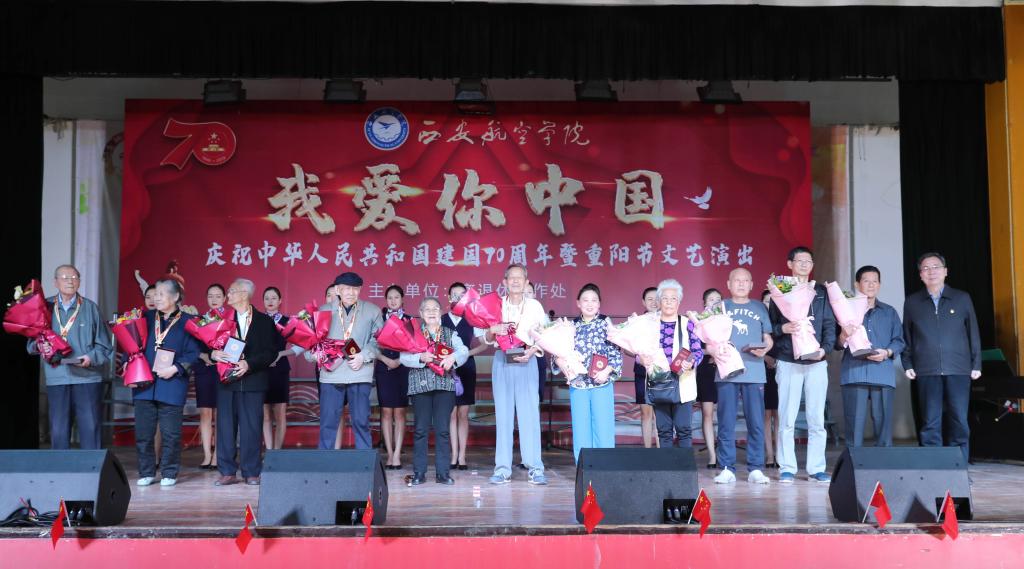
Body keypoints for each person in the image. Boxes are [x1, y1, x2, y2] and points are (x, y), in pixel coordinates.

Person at [902, 252, 982, 461]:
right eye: (926, 268)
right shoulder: (912, 302)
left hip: (958, 368)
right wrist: (907, 362)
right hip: (926, 369)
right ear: (920, 275)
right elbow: (907, 336)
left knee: (959, 419)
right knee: (930, 421)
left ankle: (959, 465)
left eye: (936, 267)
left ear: (945, 271)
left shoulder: (962, 298)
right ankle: (933, 465)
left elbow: (973, 332)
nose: (932, 272)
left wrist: (976, 363)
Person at [767, 246, 837, 484]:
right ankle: (787, 467)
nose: (805, 264)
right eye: (800, 261)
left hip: (817, 360)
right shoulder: (780, 290)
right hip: (788, 359)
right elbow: (770, 326)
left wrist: (825, 349)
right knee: (787, 417)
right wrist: (782, 328)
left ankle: (816, 468)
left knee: (816, 418)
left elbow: (829, 324)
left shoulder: (821, 292)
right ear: (790, 264)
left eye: (809, 261)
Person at [28, 265, 113, 450]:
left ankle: (92, 468)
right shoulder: (44, 307)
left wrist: (91, 357)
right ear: (55, 282)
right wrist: (41, 346)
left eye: (74, 277)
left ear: (79, 282)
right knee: (58, 431)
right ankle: (60, 468)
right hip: (57, 377)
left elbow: (105, 346)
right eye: (65, 277)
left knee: (90, 429)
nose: (70, 281)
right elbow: (31, 344)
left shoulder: (90, 308)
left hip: (87, 378)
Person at [485, 264, 548, 485]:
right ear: (504, 282)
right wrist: (492, 331)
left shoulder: (534, 306)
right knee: (503, 416)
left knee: (529, 416)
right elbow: (486, 337)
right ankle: (502, 469)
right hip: (502, 360)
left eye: (519, 278)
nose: (515, 281)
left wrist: (532, 350)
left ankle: (535, 467)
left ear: (526, 282)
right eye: (511, 278)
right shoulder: (496, 305)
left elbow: (544, 334)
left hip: (527, 360)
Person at [211, 278, 277, 486]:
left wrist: (249, 364)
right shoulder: (221, 318)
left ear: (244, 294)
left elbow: (271, 352)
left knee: (252, 428)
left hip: (253, 381)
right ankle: (227, 471)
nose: (228, 295)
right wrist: (213, 353)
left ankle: (251, 471)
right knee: (225, 427)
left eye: (231, 291)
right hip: (227, 381)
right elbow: (206, 344)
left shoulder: (264, 321)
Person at [134, 279, 200, 486]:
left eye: (161, 294)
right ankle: (146, 471)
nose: (156, 298)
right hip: (145, 384)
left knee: (171, 434)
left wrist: (176, 368)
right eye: (155, 294)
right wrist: (129, 365)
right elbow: (132, 345)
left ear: (175, 297)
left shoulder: (189, 322)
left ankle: (169, 472)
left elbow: (194, 353)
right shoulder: (145, 318)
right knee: (144, 433)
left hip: (172, 384)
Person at [399, 297, 469, 485]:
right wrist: (420, 358)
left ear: (441, 313)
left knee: (443, 430)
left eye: (435, 309)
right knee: (420, 430)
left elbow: (463, 351)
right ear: (421, 313)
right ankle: (419, 473)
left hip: (444, 386)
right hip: (420, 386)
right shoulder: (413, 333)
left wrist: (453, 358)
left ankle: (443, 473)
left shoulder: (449, 333)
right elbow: (403, 358)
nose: (431, 312)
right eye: (427, 309)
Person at [713, 268, 773, 485]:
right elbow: (708, 339)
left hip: (754, 372)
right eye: (737, 280)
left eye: (745, 280)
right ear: (728, 284)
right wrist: (714, 350)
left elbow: (768, 338)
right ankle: (726, 468)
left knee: (756, 422)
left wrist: (765, 349)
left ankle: (755, 468)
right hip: (727, 372)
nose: (741, 284)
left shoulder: (760, 307)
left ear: (751, 284)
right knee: (726, 423)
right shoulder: (719, 307)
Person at [838, 266, 905, 448]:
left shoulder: (889, 312)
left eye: (875, 281)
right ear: (857, 284)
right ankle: (854, 462)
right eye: (866, 281)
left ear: (879, 285)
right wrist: (843, 335)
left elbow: (899, 341)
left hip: (882, 373)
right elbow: (836, 344)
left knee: (883, 426)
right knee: (854, 426)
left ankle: (884, 461)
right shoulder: (845, 310)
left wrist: (887, 352)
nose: (871, 285)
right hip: (854, 372)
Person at [315, 272, 383, 451]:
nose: (351, 292)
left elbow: (380, 340)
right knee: (328, 422)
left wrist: (363, 356)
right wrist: (315, 355)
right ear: (337, 290)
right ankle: (323, 463)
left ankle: (364, 463)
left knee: (361, 421)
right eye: (346, 288)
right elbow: (312, 340)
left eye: (355, 289)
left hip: (359, 372)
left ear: (360, 290)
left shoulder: (372, 311)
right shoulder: (323, 311)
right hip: (331, 374)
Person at [555, 283, 621, 462]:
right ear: (578, 303)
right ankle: (583, 468)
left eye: (594, 300)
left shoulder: (606, 323)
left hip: (602, 383)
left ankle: (604, 469)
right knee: (581, 428)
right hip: (578, 385)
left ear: (599, 303)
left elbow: (616, 352)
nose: (590, 304)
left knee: (603, 428)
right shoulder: (571, 327)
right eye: (585, 300)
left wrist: (607, 371)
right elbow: (558, 353)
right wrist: (565, 368)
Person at [637, 279, 703, 448]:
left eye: (673, 299)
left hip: (683, 383)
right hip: (659, 383)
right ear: (659, 301)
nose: (668, 302)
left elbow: (698, 351)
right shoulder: (650, 325)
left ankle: (685, 465)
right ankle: (666, 465)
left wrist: (691, 362)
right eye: (665, 298)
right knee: (664, 431)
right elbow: (639, 352)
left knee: (684, 429)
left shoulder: (688, 324)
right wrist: (641, 359)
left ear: (679, 302)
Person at [444, 282, 488, 470]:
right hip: (446, 368)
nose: (458, 298)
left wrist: (465, 354)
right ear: (448, 298)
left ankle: (462, 456)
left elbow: (484, 344)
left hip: (467, 368)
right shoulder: (441, 319)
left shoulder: (472, 319)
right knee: (451, 413)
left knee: (463, 413)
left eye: (462, 295)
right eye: (454, 295)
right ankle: (453, 455)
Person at [376, 285, 411, 470]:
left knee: (400, 412)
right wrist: (385, 359)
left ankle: (397, 454)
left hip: (403, 368)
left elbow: (415, 346)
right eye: (390, 298)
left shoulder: (409, 320)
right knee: (386, 412)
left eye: (396, 297)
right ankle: (389, 453)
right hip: (383, 368)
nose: (393, 301)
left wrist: (399, 360)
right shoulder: (379, 320)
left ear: (402, 299)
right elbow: (371, 345)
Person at [263, 286, 299, 450]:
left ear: (280, 301)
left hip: (280, 370)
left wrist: (281, 354)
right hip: (262, 371)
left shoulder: (287, 321)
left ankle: (277, 452)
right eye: (267, 298)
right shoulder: (257, 321)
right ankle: (269, 451)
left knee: (280, 414)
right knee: (265, 415)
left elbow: (301, 345)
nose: (270, 301)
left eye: (273, 298)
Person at [193, 283, 225, 469]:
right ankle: (207, 455)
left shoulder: (229, 320)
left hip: (222, 369)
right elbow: (191, 346)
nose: (214, 299)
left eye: (218, 296)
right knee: (205, 413)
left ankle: (218, 455)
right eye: (210, 296)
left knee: (221, 415)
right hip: (204, 369)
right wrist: (203, 355)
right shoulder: (199, 321)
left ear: (224, 299)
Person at [696, 288, 722, 469]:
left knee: (725, 414)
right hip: (706, 370)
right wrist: (710, 352)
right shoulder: (698, 322)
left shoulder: (727, 320)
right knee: (707, 413)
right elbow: (694, 348)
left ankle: (724, 453)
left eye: (718, 299)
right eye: (711, 299)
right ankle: (712, 455)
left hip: (724, 368)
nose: (715, 302)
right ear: (705, 303)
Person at [633, 287, 659, 448]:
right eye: (649, 299)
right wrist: (639, 356)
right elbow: (628, 348)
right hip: (642, 371)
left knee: (661, 414)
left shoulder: (668, 321)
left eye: (657, 298)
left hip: (663, 372)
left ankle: (663, 451)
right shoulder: (636, 322)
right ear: (643, 302)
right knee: (646, 412)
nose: (654, 302)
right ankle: (648, 451)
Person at [761, 289, 780, 469]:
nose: (770, 304)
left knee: (779, 415)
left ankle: (780, 454)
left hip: (781, 372)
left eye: (772, 301)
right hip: (763, 373)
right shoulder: (759, 322)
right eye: (767, 301)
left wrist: (777, 361)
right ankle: (769, 454)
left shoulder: (781, 321)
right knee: (766, 416)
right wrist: (765, 357)